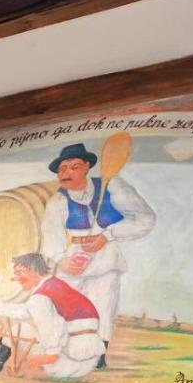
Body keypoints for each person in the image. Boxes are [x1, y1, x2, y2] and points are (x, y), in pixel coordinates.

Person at [39, 142, 155, 368]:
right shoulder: (58, 201)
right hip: (73, 260)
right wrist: (62, 260)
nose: (66, 173)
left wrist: (108, 235)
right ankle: (63, 354)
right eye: (62, 169)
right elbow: (50, 236)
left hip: (106, 259)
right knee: (63, 307)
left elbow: (145, 219)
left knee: (103, 306)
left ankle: (98, 358)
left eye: (74, 167)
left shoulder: (112, 187)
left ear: (87, 167)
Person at [0, 253, 104, 379]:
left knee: (21, 329)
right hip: (84, 358)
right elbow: (24, 311)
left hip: (68, 363)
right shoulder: (52, 285)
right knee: (19, 327)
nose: (15, 278)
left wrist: (50, 354)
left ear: (34, 270)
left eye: (20, 273)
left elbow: (49, 327)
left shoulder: (41, 296)